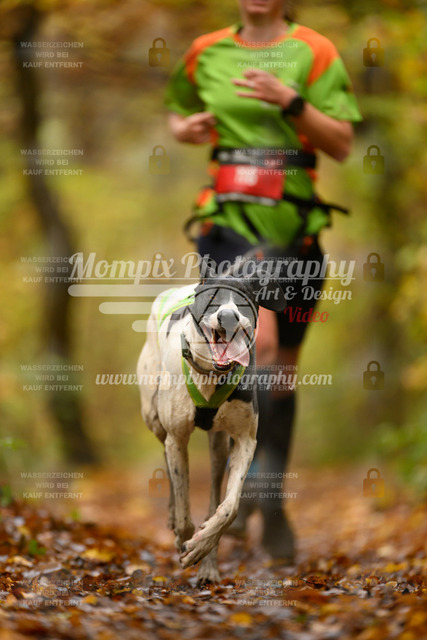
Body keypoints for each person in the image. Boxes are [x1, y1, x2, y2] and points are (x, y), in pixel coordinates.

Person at [165, 0, 362, 562]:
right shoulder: (205, 51)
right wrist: (185, 129)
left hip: (295, 229)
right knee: (256, 347)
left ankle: (269, 502)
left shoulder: (314, 50)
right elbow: (177, 114)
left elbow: (342, 143)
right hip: (227, 224)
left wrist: (290, 101)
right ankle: (239, 490)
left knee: (281, 375)